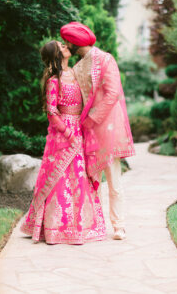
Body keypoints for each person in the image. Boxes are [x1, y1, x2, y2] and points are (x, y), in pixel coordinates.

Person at [20, 41, 106, 244]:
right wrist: (69, 134)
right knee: (60, 179)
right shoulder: (53, 80)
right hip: (63, 134)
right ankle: (55, 229)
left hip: (80, 129)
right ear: (57, 54)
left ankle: (78, 227)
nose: (66, 45)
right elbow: (51, 112)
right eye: (61, 45)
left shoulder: (75, 73)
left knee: (79, 178)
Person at [60, 22, 135, 240]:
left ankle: (119, 225)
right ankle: (91, 224)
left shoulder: (105, 59)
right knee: (88, 181)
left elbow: (112, 94)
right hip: (85, 130)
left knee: (114, 179)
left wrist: (91, 119)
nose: (66, 45)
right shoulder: (76, 68)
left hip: (107, 127)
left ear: (75, 43)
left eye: (67, 42)